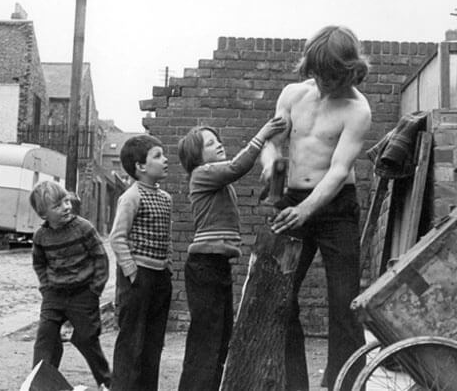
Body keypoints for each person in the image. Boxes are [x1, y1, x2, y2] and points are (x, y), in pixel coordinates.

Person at [259, 25, 372, 390]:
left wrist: (306, 210)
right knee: (281, 298)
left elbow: (339, 171)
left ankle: (344, 383)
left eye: (332, 75)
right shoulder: (293, 95)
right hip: (292, 202)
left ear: (349, 69)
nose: (323, 81)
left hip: (336, 208)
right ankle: (296, 385)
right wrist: (271, 170)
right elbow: (271, 144)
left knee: (344, 304)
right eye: (318, 73)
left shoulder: (357, 109)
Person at [176, 116, 287, 391]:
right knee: (207, 337)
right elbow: (237, 166)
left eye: (218, 141)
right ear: (196, 156)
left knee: (222, 333)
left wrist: (268, 184)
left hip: (216, 265)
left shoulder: (218, 183)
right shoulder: (202, 174)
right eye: (210, 144)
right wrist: (261, 135)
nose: (219, 145)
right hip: (204, 265)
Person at [29, 180, 111, 391]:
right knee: (45, 338)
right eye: (57, 206)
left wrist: (95, 290)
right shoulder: (41, 236)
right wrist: (46, 288)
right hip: (54, 295)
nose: (66, 207)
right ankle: (40, 383)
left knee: (87, 339)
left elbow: (100, 258)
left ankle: (107, 382)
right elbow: (40, 263)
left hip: (82, 294)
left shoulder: (83, 228)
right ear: (43, 214)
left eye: (66, 201)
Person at [108, 134, 173, 391]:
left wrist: (166, 266)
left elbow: (165, 237)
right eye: (157, 156)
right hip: (138, 279)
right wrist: (132, 272)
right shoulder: (131, 197)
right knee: (131, 343)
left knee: (153, 342)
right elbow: (117, 238)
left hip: (159, 278)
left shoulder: (165, 198)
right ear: (140, 167)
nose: (165, 160)